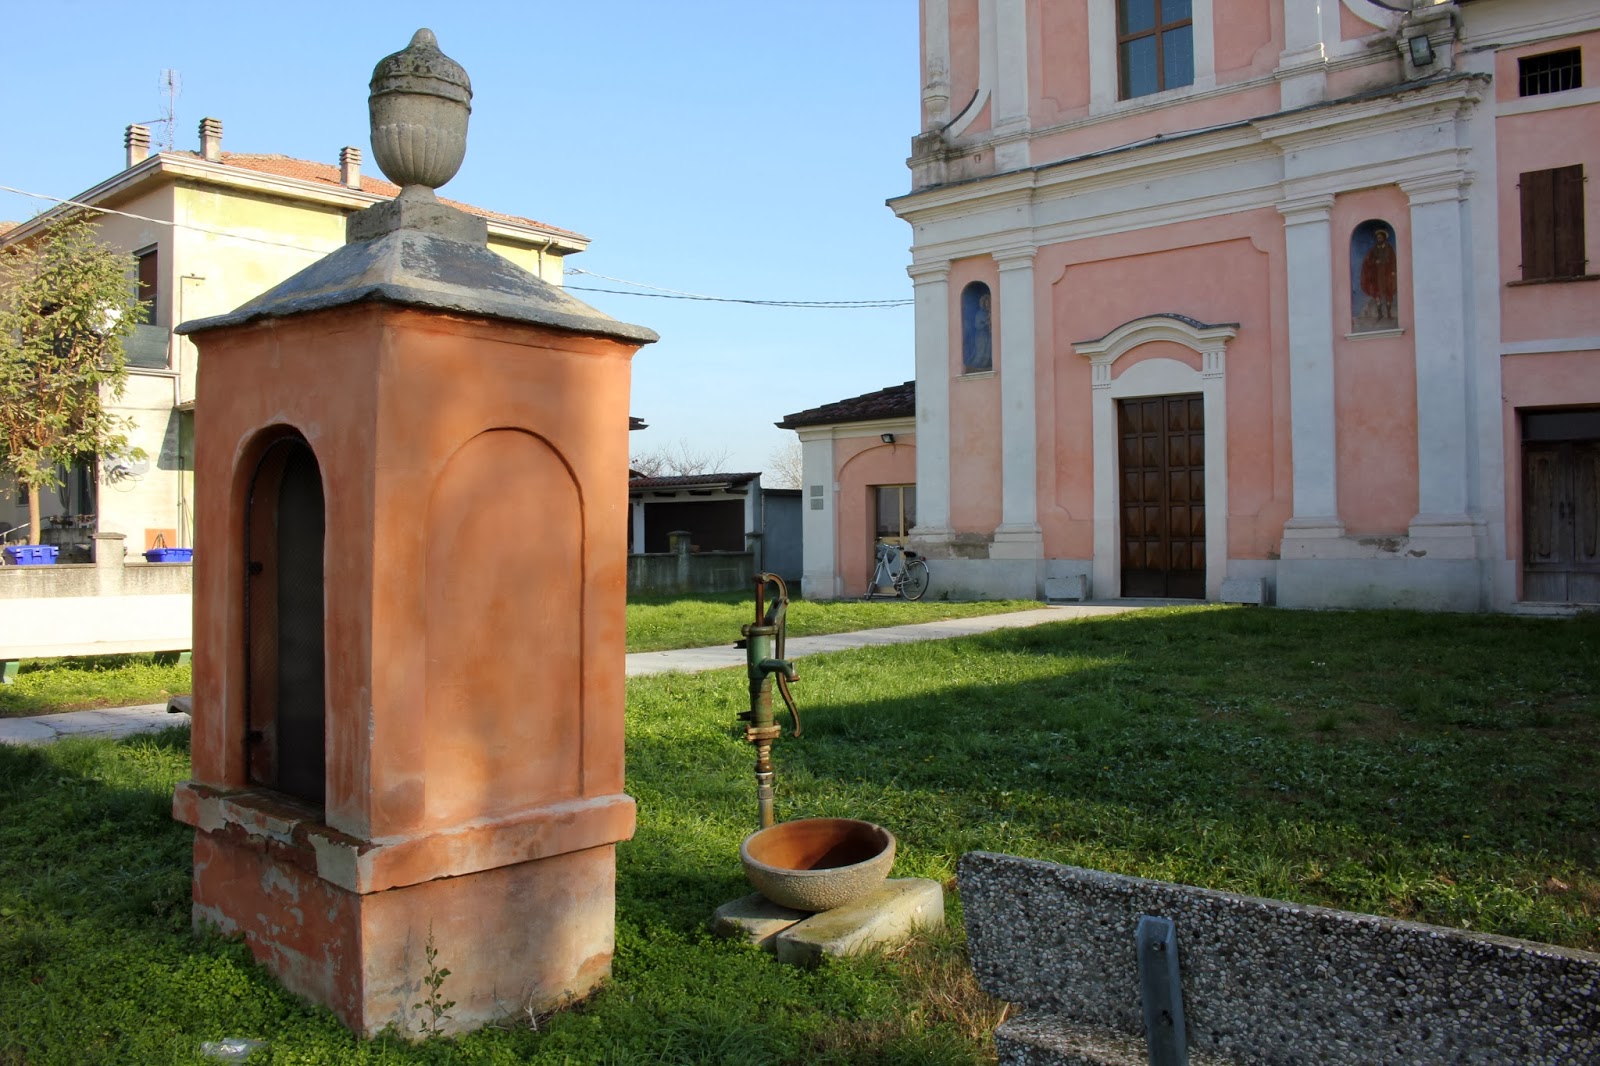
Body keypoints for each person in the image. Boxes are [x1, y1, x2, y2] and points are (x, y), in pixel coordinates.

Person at [1359, 227, 1397, 325]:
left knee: (1389, 292)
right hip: (1377, 275)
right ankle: (1380, 314)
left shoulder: (1389, 248)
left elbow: (1393, 260)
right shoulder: (1374, 249)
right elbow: (1368, 260)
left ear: (1384, 238)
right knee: (1377, 293)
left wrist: (1393, 271)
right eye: (1378, 238)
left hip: (1387, 274)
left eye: (1380, 237)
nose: (1379, 239)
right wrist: (1375, 261)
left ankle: (1389, 313)